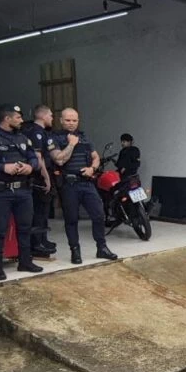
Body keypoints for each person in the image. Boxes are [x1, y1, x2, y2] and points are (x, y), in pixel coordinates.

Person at [0, 104, 44, 281]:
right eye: (18, 117)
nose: (22, 120)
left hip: (23, 189)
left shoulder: (22, 137)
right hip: (1, 191)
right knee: (0, 229)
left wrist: (30, 167)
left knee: (25, 227)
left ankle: (25, 261)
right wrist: (2, 167)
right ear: (7, 119)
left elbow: (33, 157)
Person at [47, 107, 118, 265]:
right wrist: (71, 145)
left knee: (99, 215)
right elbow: (59, 160)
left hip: (86, 183)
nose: (71, 123)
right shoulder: (54, 138)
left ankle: (102, 247)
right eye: (68, 120)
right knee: (71, 219)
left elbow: (96, 157)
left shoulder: (84, 137)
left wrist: (92, 168)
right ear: (61, 120)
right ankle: (75, 250)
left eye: (74, 120)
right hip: (69, 185)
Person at [23, 104, 56, 258]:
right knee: (39, 211)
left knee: (44, 211)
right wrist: (46, 177)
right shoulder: (35, 132)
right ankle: (37, 244)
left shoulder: (42, 132)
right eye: (50, 115)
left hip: (43, 174)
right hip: (39, 177)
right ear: (42, 116)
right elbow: (38, 157)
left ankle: (43, 239)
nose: (52, 118)